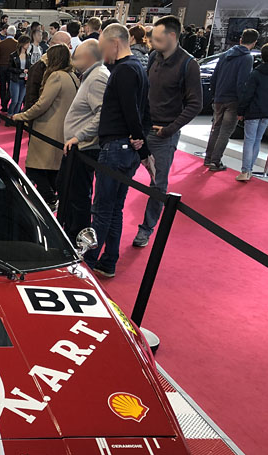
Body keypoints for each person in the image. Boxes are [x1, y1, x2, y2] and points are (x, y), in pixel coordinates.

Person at [84, 24, 154, 279]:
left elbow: (132, 111)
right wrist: (141, 145)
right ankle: (108, 261)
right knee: (114, 209)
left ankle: (89, 263)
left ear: (115, 43)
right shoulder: (138, 69)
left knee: (102, 209)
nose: (103, 54)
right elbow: (144, 112)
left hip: (115, 148)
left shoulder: (125, 70)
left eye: (103, 47)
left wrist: (141, 143)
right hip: (126, 149)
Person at [133, 15, 202, 247]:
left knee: (158, 183)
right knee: (122, 168)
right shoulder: (154, 57)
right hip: (142, 128)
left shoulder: (188, 64)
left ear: (173, 36)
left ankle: (147, 228)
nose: (153, 43)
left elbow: (195, 104)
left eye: (158, 39)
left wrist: (169, 129)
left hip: (164, 133)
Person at [12, 45, 79, 208]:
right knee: (50, 172)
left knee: (35, 170)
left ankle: (50, 199)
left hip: (47, 131)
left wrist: (22, 116)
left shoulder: (56, 76)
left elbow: (42, 104)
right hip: (61, 132)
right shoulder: (73, 77)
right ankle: (53, 201)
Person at [60, 39, 110, 241]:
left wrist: (78, 136)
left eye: (77, 54)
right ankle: (71, 232)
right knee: (71, 192)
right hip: (79, 147)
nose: (73, 58)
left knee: (78, 196)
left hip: (84, 148)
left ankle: (76, 237)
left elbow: (102, 113)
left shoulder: (97, 78)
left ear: (88, 57)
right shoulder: (92, 76)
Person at [204, 28, 259, 172]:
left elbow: (214, 77)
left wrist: (215, 94)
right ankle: (215, 162)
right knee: (225, 131)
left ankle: (208, 158)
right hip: (232, 100)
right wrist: (242, 104)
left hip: (219, 97)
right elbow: (242, 83)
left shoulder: (225, 54)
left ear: (241, 39)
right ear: (254, 43)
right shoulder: (247, 58)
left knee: (216, 128)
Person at [236, 42, 268, 182]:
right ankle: (249, 169)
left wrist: (241, 111)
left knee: (249, 140)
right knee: (257, 140)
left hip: (253, 111)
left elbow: (247, 94)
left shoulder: (256, 73)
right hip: (267, 112)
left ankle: (246, 171)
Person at [23, 31, 71, 111]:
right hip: (43, 117)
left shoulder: (68, 66)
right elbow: (31, 99)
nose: (71, 47)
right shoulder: (38, 68)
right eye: (68, 45)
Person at [7, 35, 32, 116]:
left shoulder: (28, 55)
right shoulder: (13, 55)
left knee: (20, 101)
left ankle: (16, 116)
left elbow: (29, 66)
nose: (28, 45)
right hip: (15, 80)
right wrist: (21, 70)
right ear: (22, 43)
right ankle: (10, 114)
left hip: (24, 80)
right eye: (27, 43)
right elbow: (10, 68)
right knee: (14, 100)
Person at [0, 26, 18, 111]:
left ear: (7, 33)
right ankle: (6, 101)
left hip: (2, 66)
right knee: (10, 87)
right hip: (12, 67)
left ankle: (3, 105)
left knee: (2, 86)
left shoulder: (1, 43)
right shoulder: (17, 44)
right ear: (14, 33)